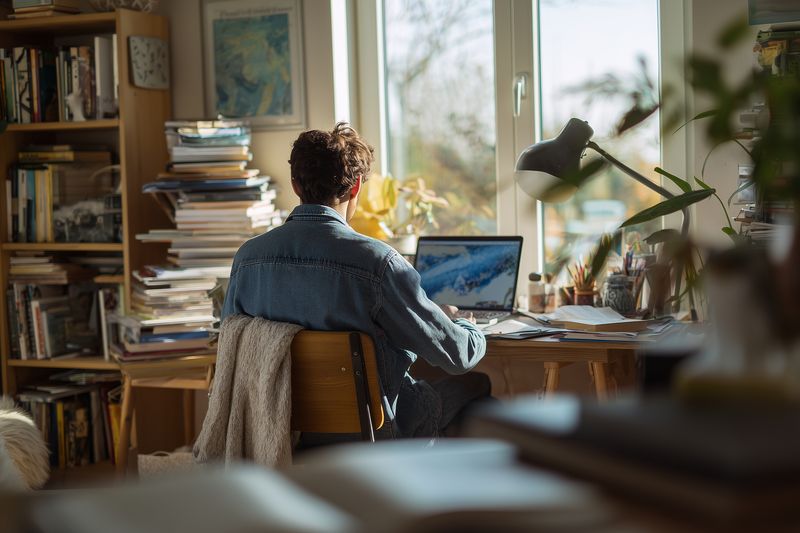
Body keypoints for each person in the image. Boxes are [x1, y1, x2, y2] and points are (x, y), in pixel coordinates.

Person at [222, 122, 490, 440]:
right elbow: (458, 356)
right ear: (356, 187)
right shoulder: (379, 264)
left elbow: (231, 347)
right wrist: (469, 327)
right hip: (375, 433)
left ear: (295, 184)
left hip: (285, 433)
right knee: (477, 384)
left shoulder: (246, 260)